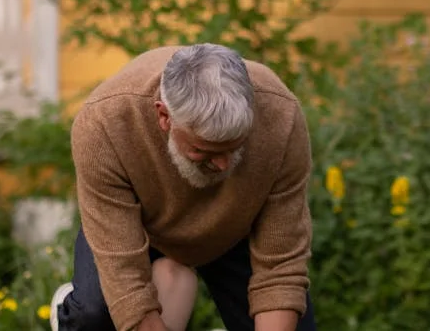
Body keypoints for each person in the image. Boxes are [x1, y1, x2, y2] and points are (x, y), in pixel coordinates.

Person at [50, 43, 316, 331]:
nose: (225, 164)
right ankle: (71, 306)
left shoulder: (281, 115)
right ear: (164, 117)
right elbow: (124, 278)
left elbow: (280, 266)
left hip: (235, 226)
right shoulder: (104, 123)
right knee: (95, 317)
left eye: (235, 147)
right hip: (136, 225)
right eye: (206, 150)